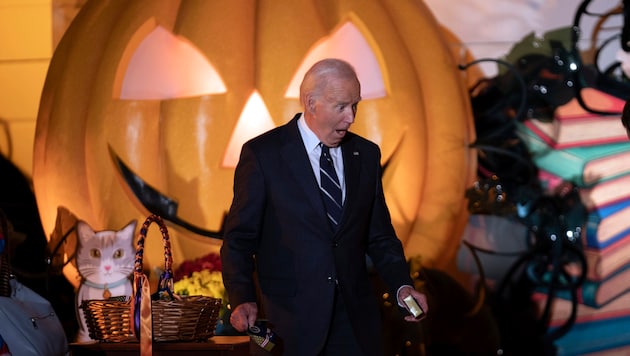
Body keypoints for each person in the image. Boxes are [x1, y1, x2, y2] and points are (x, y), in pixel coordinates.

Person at [220, 58, 428, 355]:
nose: (351, 117)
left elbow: (380, 236)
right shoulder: (263, 154)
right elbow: (239, 239)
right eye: (341, 106)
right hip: (289, 324)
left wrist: (402, 286)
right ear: (311, 103)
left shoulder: (366, 155)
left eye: (355, 105)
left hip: (355, 325)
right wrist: (242, 297)